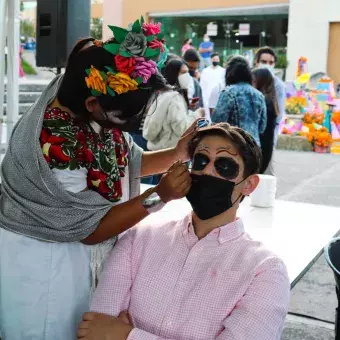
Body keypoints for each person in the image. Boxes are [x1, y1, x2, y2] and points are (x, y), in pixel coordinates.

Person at [0, 18, 195, 340]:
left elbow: (124, 165)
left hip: (75, 258)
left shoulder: (87, 110)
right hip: (45, 264)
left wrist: (178, 152)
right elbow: (89, 231)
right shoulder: (57, 138)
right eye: (126, 118)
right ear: (94, 103)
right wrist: (159, 196)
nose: (130, 126)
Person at [78, 123, 291, 340]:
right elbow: (97, 329)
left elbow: (107, 332)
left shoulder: (265, 270)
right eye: (201, 160)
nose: (208, 170)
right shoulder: (138, 239)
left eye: (225, 166)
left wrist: (127, 335)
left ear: (249, 185)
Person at [143, 59, 204, 153]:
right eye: (183, 72)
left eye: (188, 72)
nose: (187, 76)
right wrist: (197, 115)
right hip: (170, 152)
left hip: (158, 150)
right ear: (174, 74)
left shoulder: (163, 93)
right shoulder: (175, 98)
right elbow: (182, 129)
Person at [212, 56, 267, 146]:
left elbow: (217, 122)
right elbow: (262, 127)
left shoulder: (228, 93)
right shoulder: (259, 95)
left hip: (233, 146)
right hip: (254, 147)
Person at [255, 47, 286, 175]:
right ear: (257, 62)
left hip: (268, 135)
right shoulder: (251, 80)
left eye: (271, 62)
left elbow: (279, 114)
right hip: (249, 135)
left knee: (266, 175)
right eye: (264, 61)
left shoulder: (278, 85)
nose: (267, 65)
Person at [252, 68, 280, 173]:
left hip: (261, 150)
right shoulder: (271, 101)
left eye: (254, 80)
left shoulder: (263, 103)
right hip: (266, 149)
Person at [200, 52, 225, 119]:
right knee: (208, 109)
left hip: (218, 93)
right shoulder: (205, 71)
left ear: (219, 60)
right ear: (211, 59)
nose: (215, 61)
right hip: (208, 94)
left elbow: (224, 82)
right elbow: (202, 83)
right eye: (214, 59)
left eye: (217, 59)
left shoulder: (222, 71)